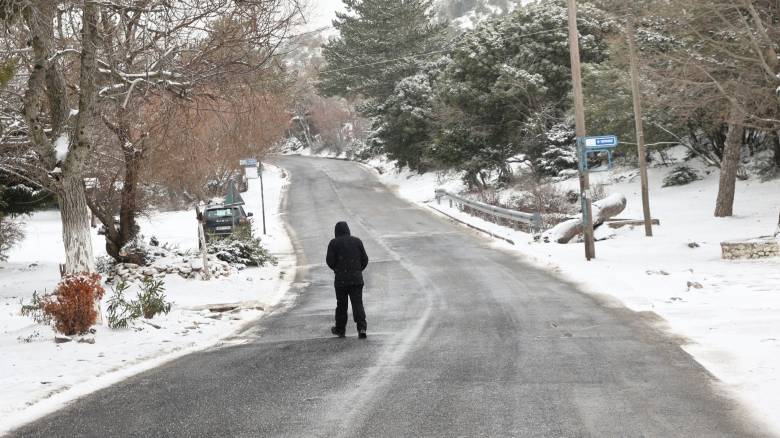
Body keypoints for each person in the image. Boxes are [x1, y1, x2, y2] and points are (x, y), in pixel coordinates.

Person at [326, 221, 369, 339]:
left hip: (341, 280)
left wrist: (337, 268)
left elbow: (329, 261)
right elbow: (365, 259)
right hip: (356, 279)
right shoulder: (357, 241)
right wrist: (357, 270)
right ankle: (361, 328)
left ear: (336, 232)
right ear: (348, 230)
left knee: (341, 305)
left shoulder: (333, 243)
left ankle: (340, 329)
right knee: (357, 303)